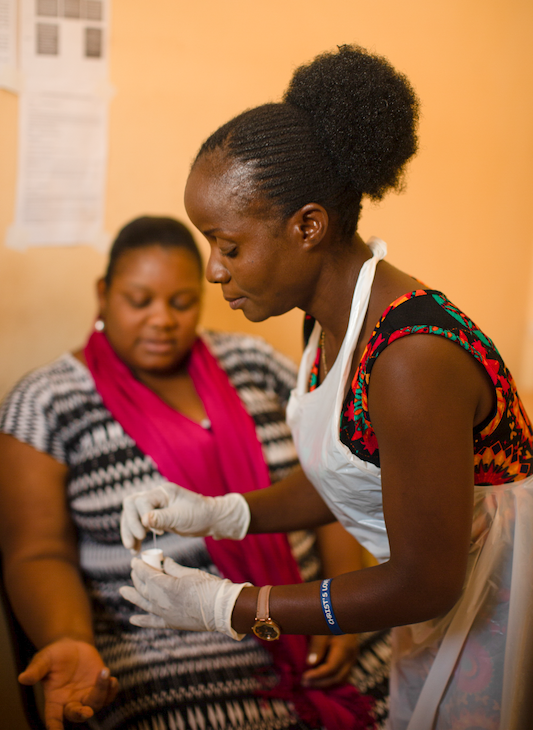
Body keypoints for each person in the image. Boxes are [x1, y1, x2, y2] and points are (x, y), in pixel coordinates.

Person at [119, 46, 533, 730]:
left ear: (306, 227)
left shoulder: (410, 358)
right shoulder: (329, 322)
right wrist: (224, 512)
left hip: (499, 613)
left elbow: (424, 580)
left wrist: (236, 608)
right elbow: (359, 470)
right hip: (440, 616)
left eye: (226, 244)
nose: (214, 272)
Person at [0, 216, 386, 730]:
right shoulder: (47, 402)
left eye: (181, 302)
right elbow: (38, 550)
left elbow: (330, 488)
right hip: (166, 651)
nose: (162, 319)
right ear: (103, 293)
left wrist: (338, 609)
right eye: (140, 301)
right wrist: (69, 639)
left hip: (309, 615)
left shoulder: (253, 363)